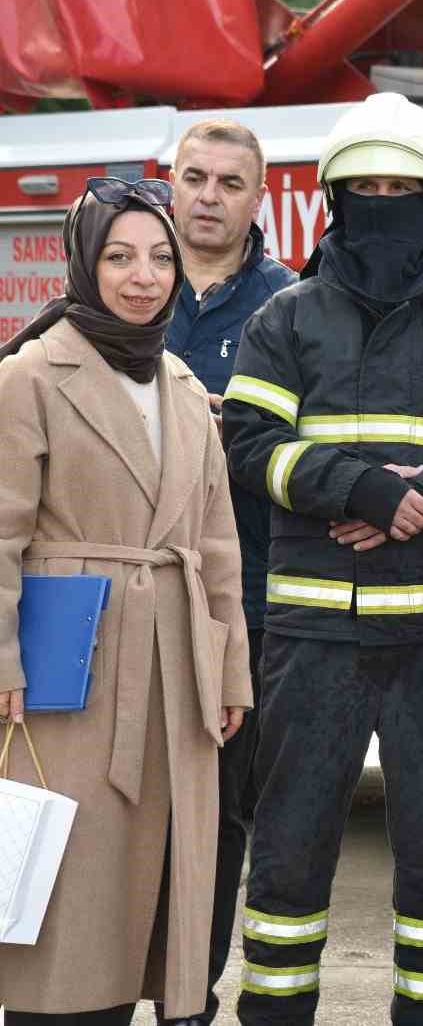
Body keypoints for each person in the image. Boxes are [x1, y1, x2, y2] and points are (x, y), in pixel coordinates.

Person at [222, 92, 423, 1025]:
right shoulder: (287, 319)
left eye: (401, 187)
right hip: (312, 633)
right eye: (363, 187)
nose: (382, 201)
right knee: (287, 848)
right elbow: (247, 442)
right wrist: (361, 490)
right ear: (333, 198)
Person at [0, 178, 251, 1024]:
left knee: (157, 887)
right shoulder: (30, 374)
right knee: (69, 886)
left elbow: (218, 545)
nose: (143, 277)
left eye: (159, 257)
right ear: (84, 263)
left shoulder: (182, 385)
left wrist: (229, 674)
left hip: (174, 669)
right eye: (119, 256)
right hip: (65, 666)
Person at [160, 117, 297, 1026]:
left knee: (216, 821)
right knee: (114, 819)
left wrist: (240, 440)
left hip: (239, 605)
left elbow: (327, 447)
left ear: (260, 197)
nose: (208, 197)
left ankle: (188, 1003)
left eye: (229, 183)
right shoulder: (124, 285)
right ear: (170, 182)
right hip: (118, 601)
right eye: (194, 178)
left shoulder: (292, 307)